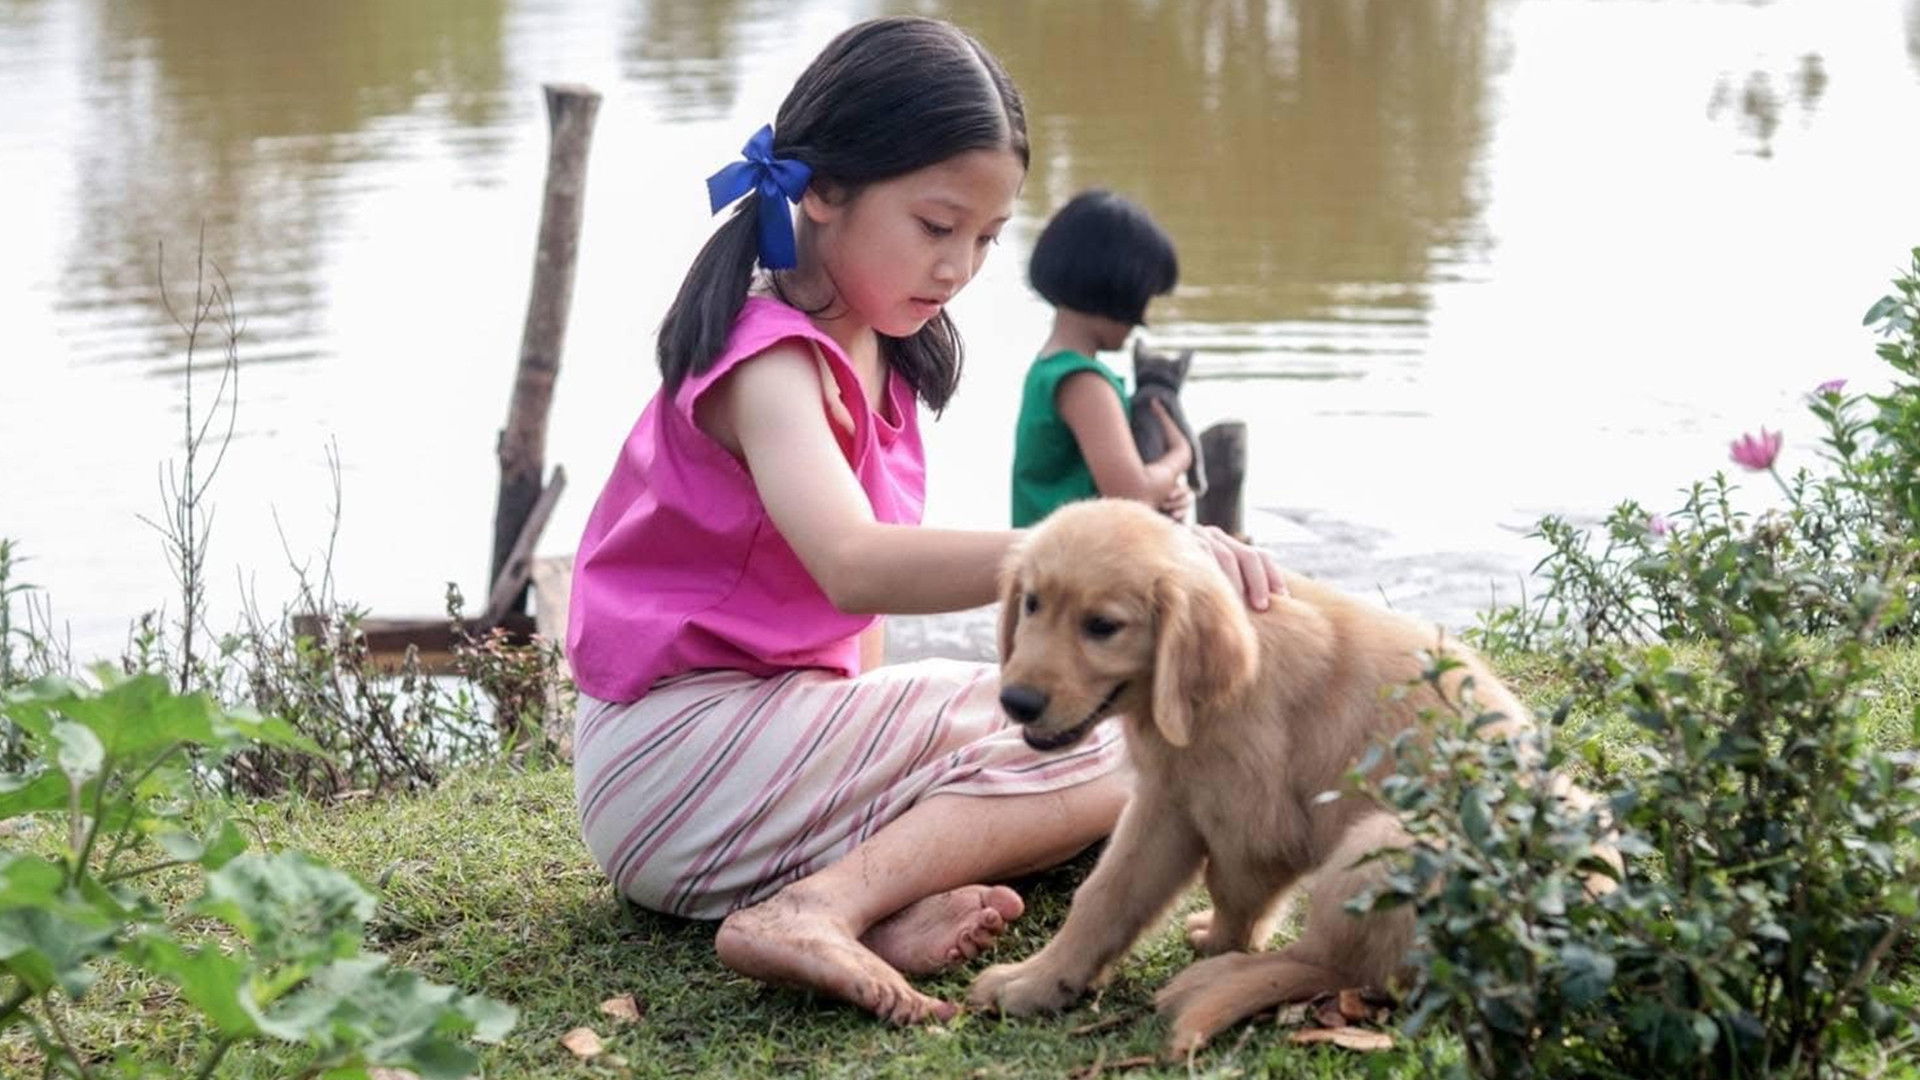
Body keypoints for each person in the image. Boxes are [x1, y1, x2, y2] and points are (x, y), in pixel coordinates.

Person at [567, 16, 1282, 1025]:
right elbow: (855, 567)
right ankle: (819, 905)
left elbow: (856, 637)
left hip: (749, 761)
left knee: (1101, 730)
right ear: (822, 191)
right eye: (937, 226)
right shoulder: (772, 359)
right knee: (1121, 748)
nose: (959, 268)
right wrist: (1126, 553)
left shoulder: (877, 343)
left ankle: (865, 902)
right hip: (675, 762)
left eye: (987, 239)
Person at [1011, 190, 1193, 528]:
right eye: (1146, 298)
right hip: (1075, 571)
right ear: (1120, 288)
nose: (1145, 317)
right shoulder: (1084, 382)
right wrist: (1179, 457)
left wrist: (1166, 490)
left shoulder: (1048, 369)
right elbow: (1133, 496)